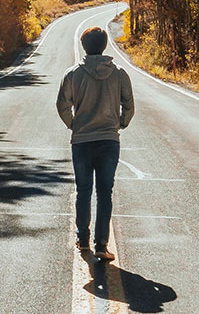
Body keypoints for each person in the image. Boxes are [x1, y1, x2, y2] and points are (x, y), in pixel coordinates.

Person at [56, 26, 134, 261]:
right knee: (105, 192)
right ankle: (101, 244)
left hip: (81, 141)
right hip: (109, 140)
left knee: (83, 190)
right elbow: (128, 104)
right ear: (105, 45)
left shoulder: (72, 74)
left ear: (84, 46)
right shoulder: (119, 73)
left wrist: (74, 125)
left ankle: (82, 238)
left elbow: (62, 104)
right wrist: (120, 124)